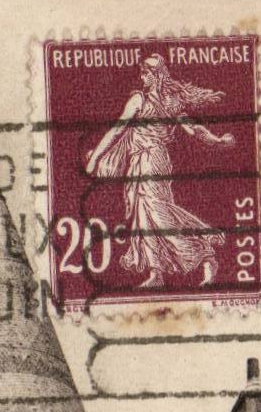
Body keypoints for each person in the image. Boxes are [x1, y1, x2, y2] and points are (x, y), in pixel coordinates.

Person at [83, 55, 234, 290]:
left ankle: (204, 254)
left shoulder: (154, 101)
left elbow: (192, 129)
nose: (142, 78)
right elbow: (118, 130)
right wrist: (217, 140)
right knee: (142, 215)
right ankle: (157, 272)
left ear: (157, 75)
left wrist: (217, 140)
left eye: (146, 74)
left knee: (157, 211)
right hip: (139, 162)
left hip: (152, 160)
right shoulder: (145, 99)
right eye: (142, 74)